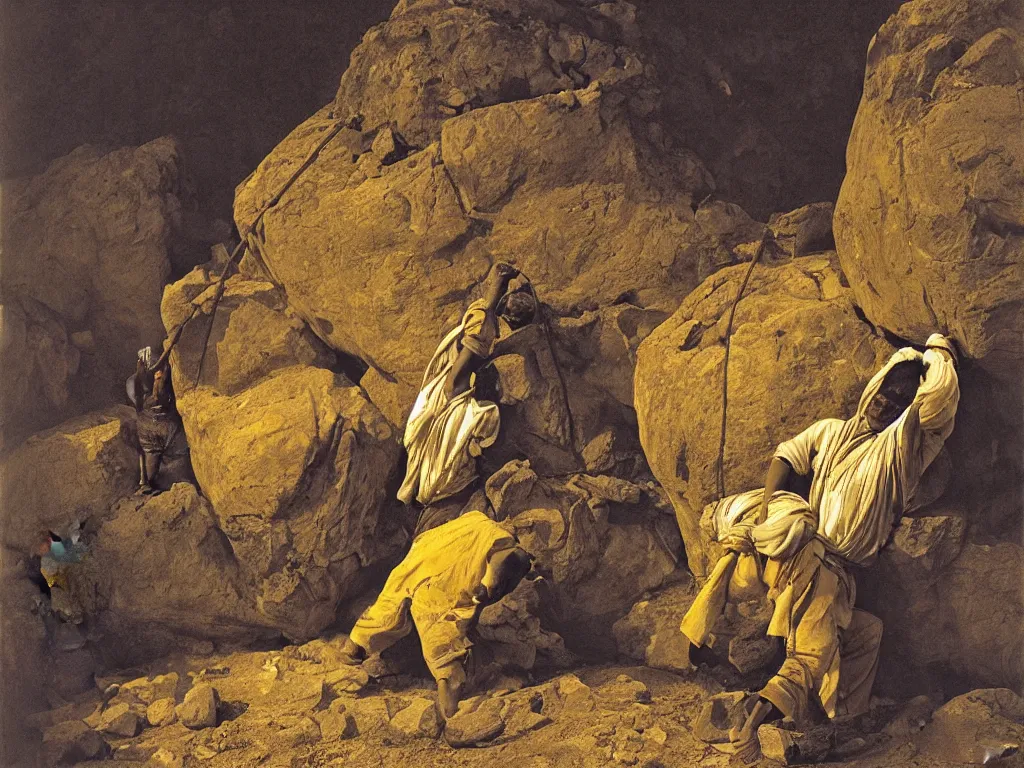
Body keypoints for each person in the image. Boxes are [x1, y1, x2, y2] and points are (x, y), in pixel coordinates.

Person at [681, 334, 960, 762]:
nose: (888, 401)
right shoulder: (831, 433)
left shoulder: (900, 449)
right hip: (809, 560)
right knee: (808, 655)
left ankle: (833, 726)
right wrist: (770, 506)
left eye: (901, 398)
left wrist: (939, 349)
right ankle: (749, 729)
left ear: (908, 410)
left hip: (832, 571)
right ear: (874, 386)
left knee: (867, 633)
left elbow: (939, 397)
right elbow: (787, 457)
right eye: (887, 388)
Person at [337, 510, 534, 718]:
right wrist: (484, 593)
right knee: (441, 641)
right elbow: (505, 561)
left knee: (387, 606)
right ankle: (450, 712)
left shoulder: (475, 517)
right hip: (440, 584)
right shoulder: (503, 541)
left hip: (419, 558)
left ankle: (353, 650)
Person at [398, 261, 536, 536]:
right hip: (439, 498)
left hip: (443, 496)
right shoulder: (452, 392)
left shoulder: (466, 402)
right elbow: (471, 349)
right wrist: (496, 290)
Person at [128, 345, 188, 494]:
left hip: (165, 429)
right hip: (153, 430)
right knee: (153, 468)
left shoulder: (160, 382)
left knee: (176, 460)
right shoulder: (136, 385)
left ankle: (154, 481)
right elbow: (140, 397)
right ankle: (150, 481)